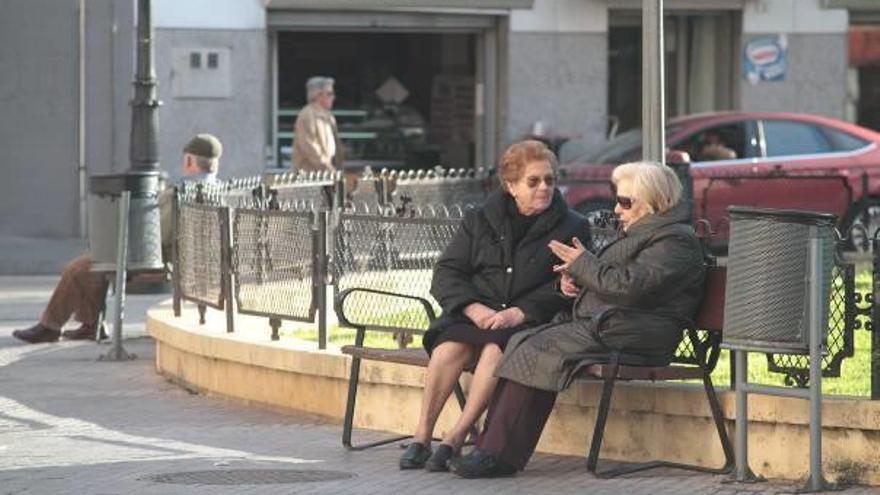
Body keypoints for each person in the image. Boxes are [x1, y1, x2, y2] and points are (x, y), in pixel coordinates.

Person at [449, 161, 706, 478]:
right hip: (616, 324)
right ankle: (492, 449)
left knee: (537, 347)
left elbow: (630, 286)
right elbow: (616, 280)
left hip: (640, 332)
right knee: (520, 339)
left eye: (625, 202)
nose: (616, 208)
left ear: (654, 200)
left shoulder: (674, 241)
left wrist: (584, 264)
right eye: (617, 199)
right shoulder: (648, 233)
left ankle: (497, 455)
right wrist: (576, 280)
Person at [398, 140, 588, 472]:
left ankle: (455, 437)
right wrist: (472, 308)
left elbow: (565, 285)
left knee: (495, 350)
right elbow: (447, 272)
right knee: (449, 348)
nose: (544, 188)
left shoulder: (572, 225)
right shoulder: (480, 218)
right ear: (511, 185)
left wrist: (521, 311)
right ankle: (421, 438)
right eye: (534, 181)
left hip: (525, 321)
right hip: (476, 313)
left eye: (550, 180)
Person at [12, 134, 223, 344]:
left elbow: (155, 233)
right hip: (186, 261)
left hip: (158, 261)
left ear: (189, 161)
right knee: (93, 261)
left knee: (79, 268)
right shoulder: (216, 190)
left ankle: (50, 327)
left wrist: (120, 238)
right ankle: (90, 325)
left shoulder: (181, 193)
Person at [291, 76, 344, 172]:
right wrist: (327, 167)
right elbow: (309, 147)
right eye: (329, 94)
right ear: (318, 95)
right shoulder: (306, 115)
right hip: (309, 176)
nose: (333, 97)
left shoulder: (329, 117)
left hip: (326, 174)